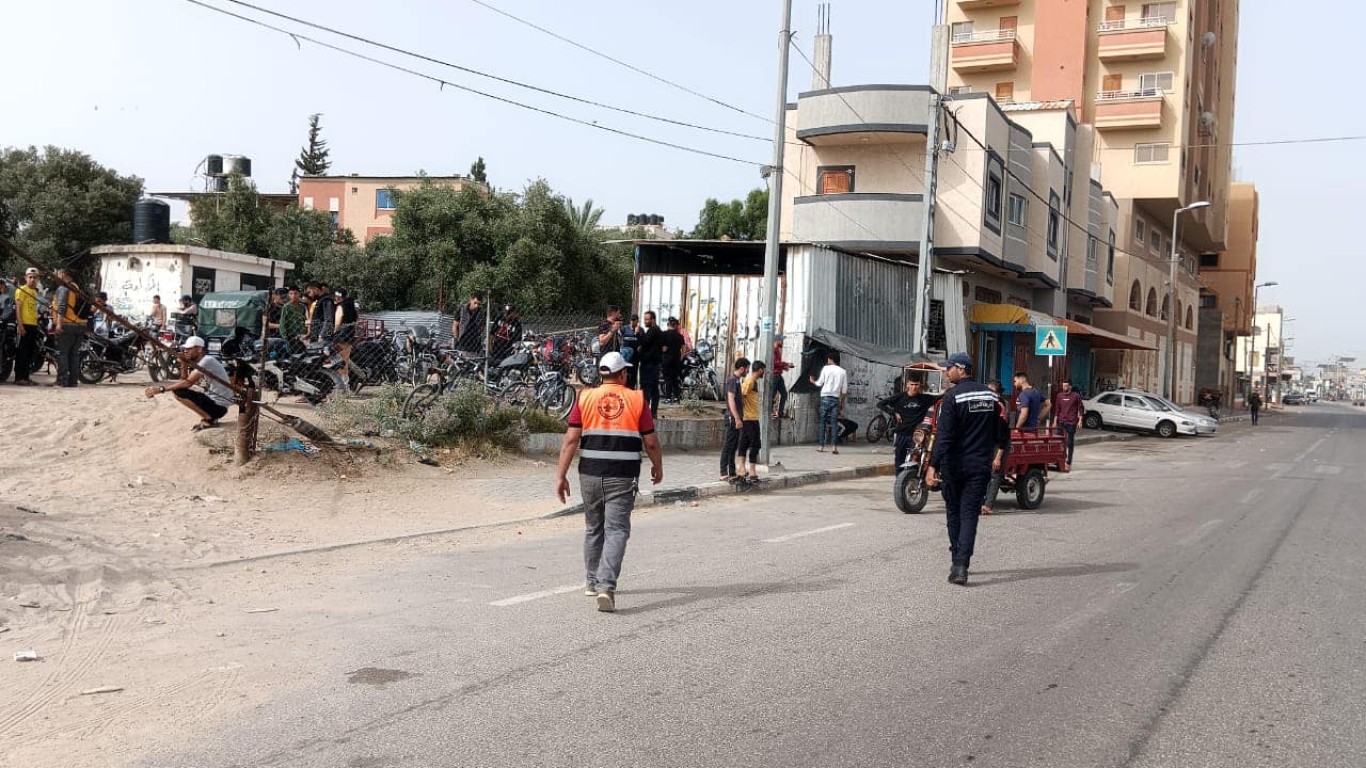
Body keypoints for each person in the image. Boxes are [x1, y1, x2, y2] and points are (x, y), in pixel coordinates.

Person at [554, 351, 663, 613]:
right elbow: (650, 441)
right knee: (616, 531)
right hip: (622, 476)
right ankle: (606, 586)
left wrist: (561, 475)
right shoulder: (637, 399)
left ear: (602, 374)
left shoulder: (585, 397)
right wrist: (657, 466)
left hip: (589, 474)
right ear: (623, 374)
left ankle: (592, 583)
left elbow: (571, 439)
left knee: (594, 528)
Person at [927, 352, 1007, 586]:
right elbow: (1001, 432)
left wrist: (932, 466)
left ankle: (957, 561)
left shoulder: (952, 397)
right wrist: (996, 452)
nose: (946, 372)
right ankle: (962, 565)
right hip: (979, 466)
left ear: (961, 369)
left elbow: (944, 436)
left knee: (954, 513)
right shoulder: (991, 397)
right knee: (970, 515)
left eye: (949, 368)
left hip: (954, 466)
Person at [143, 336, 236, 431]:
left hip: (219, 407)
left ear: (199, 349)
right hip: (216, 404)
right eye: (185, 349)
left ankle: (209, 419)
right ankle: (210, 417)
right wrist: (184, 364)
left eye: (189, 349)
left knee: (179, 392)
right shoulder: (202, 362)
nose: (186, 351)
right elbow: (183, 381)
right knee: (179, 391)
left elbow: (188, 383)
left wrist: (161, 389)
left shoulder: (207, 361)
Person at [879, 376, 941, 472]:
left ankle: (912, 478)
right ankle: (900, 479)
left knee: (914, 460)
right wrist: (893, 413)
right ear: (907, 385)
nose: (914, 387)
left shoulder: (925, 398)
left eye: (916, 385)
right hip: (901, 434)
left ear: (920, 385)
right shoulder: (900, 397)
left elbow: (941, 396)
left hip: (916, 436)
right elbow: (881, 404)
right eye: (912, 384)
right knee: (899, 461)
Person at [51, 269, 90, 388]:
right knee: (74, 354)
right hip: (80, 325)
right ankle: (73, 381)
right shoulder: (76, 287)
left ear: (63, 275)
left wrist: (58, 323)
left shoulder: (63, 288)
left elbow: (62, 306)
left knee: (62, 353)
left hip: (67, 324)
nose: (56, 277)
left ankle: (61, 381)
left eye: (58, 274)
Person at [980, 380, 1013, 516]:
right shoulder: (987, 405)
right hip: (988, 443)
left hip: (1000, 444)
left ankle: (988, 505)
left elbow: (1003, 436)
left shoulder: (1000, 406)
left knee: (995, 473)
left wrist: (998, 457)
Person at [809, 351, 848, 454]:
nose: (827, 361)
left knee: (823, 422)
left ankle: (821, 446)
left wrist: (813, 381)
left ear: (831, 359)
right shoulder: (843, 372)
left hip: (825, 397)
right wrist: (842, 401)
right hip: (835, 399)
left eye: (828, 359)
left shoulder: (826, 368)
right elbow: (844, 390)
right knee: (834, 423)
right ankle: (834, 447)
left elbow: (820, 383)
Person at [12, 268, 41, 386]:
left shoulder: (34, 292)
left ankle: (26, 377)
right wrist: (20, 325)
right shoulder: (21, 290)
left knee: (30, 352)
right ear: (26, 278)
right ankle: (19, 377)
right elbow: (18, 309)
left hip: (33, 325)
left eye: (35, 277)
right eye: (30, 277)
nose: (33, 279)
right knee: (22, 352)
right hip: (24, 324)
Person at [737, 360, 765, 482]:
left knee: (744, 442)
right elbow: (742, 396)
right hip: (749, 418)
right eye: (763, 370)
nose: (764, 373)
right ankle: (752, 470)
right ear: (760, 370)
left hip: (751, 417)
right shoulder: (750, 381)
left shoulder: (752, 381)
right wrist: (741, 413)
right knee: (755, 444)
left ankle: (742, 469)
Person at [721, 357, 748, 483]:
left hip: (736, 417)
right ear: (742, 368)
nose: (747, 371)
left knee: (733, 446)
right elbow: (731, 400)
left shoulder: (737, 381)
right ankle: (723, 472)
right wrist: (737, 418)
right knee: (728, 445)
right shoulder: (732, 380)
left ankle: (732, 472)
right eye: (747, 369)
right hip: (732, 418)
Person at [1050, 381, 1084, 468]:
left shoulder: (1076, 396)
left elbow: (1080, 408)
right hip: (1061, 422)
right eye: (1063, 386)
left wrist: (1080, 420)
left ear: (1070, 387)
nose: (1064, 387)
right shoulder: (1059, 396)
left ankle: (1069, 461)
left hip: (1071, 422)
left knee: (1069, 442)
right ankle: (1059, 459)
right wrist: (1055, 421)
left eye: (1066, 386)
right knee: (1060, 441)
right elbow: (1057, 409)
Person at [636, 311, 663, 416]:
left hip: (649, 364)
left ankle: (646, 413)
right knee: (654, 388)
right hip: (653, 364)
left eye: (647, 319)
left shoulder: (653, 330)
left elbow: (644, 342)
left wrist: (638, 333)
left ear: (653, 320)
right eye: (645, 319)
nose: (645, 321)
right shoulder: (657, 331)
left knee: (647, 388)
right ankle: (653, 412)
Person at [331, 288, 359, 387]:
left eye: (336, 296)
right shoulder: (352, 306)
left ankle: (341, 382)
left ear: (339, 297)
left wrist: (334, 331)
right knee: (345, 359)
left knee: (339, 360)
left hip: (340, 335)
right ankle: (345, 382)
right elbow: (356, 318)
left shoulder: (341, 306)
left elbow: (338, 321)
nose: (335, 298)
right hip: (349, 334)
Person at [659, 317, 687, 403]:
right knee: (675, 379)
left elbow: (659, 346)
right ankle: (676, 397)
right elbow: (684, 349)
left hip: (666, 360)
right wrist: (681, 358)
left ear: (668, 324)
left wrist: (663, 349)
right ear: (675, 325)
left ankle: (668, 398)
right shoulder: (680, 336)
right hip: (676, 360)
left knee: (668, 379)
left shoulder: (663, 334)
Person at [279, 287, 307, 355]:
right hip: (290, 335)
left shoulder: (302, 307)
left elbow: (304, 319)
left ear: (299, 294)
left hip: (300, 334)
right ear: (288, 295)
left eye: (295, 293)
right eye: (291, 294)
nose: (293, 296)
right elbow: (282, 322)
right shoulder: (286, 307)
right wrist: (284, 336)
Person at [770, 336, 792, 419]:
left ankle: (780, 413)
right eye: (781, 340)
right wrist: (786, 364)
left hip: (778, 375)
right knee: (772, 394)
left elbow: (777, 364)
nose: (783, 342)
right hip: (774, 376)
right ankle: (769, 412)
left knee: (784, 394)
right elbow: (774, 363)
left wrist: (783, 367)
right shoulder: (773, 350)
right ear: (777, 341)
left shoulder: (777, 350)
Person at [620, 314, 640, 388]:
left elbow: (642, 341)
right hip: (626, 355)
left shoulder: (640, 330)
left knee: (633, 372)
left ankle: (632, 387)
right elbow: (619, 335)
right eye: (631, 320)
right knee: (626, 372)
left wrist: (637, 333)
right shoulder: (625, 328)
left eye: (634, 320)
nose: (632, 321)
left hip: (635, 356)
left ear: (637, 321)